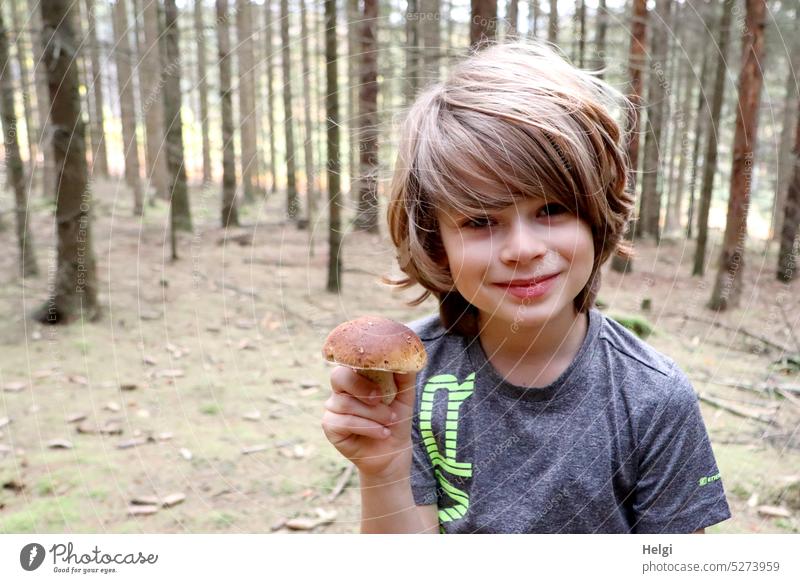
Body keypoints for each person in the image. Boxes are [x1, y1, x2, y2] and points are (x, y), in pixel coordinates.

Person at [321, 41, 732, 533]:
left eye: (552, 209)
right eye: (479, 220)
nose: (523, 248)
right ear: (436, 244)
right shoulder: (409, 381)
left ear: (597, 215)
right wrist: (385, 467)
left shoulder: (654, 398)